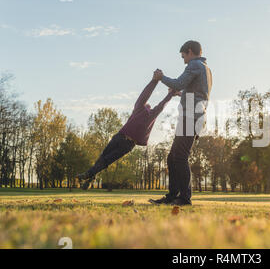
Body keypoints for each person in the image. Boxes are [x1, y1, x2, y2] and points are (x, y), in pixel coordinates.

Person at [76, 75, 181, 190]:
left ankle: (88, 175)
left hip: (128, 144)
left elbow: (161, 104)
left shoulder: (151, 114)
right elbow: (146, 94)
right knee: (103, 158)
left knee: (107, 159)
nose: (147, 104)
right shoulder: (139, 108)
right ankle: (91, 176)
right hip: (120, 137)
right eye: (146, 103)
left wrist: (168, 92)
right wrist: (155, 82)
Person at [149, 40, 213, 206]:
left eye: (183, 55)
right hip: (196, 116)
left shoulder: (194, 65)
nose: (183, 59)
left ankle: (184, 198)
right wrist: (180, 93)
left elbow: (178, 82)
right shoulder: (206, 68)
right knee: (173, 157)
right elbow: (196, 91)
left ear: (190, 51)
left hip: (191, 116)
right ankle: (172, 196)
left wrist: (161, 77)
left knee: (180, 157)